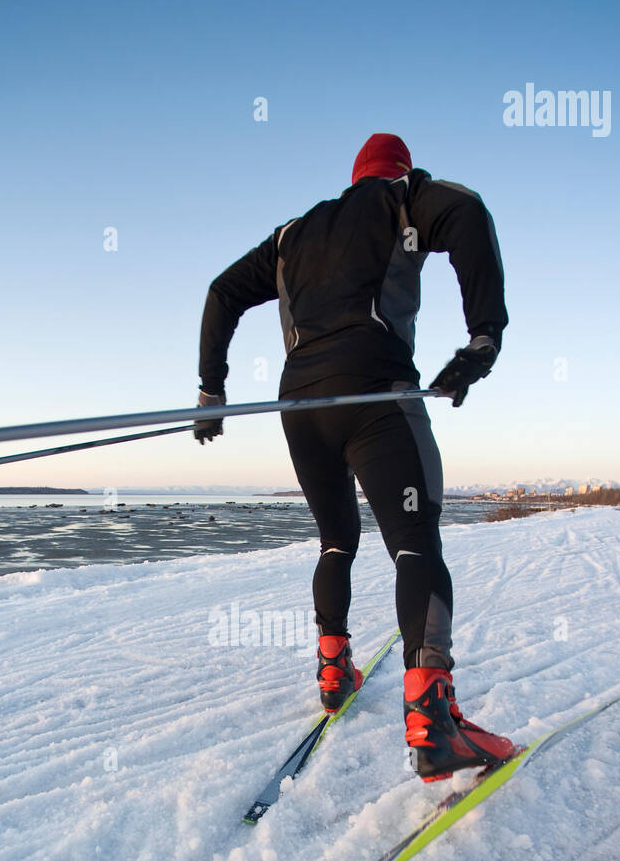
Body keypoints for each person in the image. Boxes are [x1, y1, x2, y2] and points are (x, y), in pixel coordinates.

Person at [195, 133, 514, 782]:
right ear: (398, 169)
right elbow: (470, 213)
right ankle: (433, 722)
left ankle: (333, 669)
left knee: (336, 539)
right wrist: (482, 338)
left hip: (302, 406)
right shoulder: (405, 198)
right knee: (414, 543)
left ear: (353, 175)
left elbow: (221, 290)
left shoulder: (292, 234)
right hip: (376, 394)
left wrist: (211, 386)